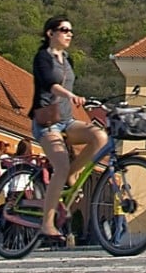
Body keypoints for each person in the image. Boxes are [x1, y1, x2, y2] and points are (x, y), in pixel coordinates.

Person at [30, 15, 106, 242]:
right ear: (50, 33)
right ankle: (47, 223)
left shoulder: (68, 59)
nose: (69, 34)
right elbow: (48, 84)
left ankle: (73, 172)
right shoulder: (42, 57)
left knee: (99, 136)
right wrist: (70, 95)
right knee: (60, 167)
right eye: (64, 30)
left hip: (67, 120)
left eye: (71, 31)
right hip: (47, 122)